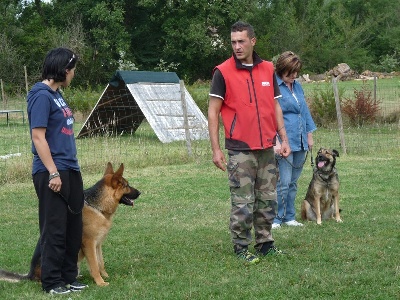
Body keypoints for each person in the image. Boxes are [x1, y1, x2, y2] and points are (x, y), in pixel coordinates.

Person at [208, 21, 291, 264]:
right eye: (233, 42)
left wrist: (283, 138)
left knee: (267, 199)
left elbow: (275, 105)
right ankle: (241, 246)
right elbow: (213, 112)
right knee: (243, 203)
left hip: (267, 147)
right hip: (239, 150)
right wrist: (215, 149)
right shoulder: (222, 72)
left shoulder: (267, 69)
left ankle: (265, 243)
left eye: (241, 41)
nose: (237, 46)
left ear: (252, 41)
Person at [27, 47, 88, 295]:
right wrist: (52, 172)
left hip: (70, 167)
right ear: (64, 70)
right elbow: (38, 137)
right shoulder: (40, 95)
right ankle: (51, 282)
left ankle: (68, 276)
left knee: (74, 225)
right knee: (55, 227)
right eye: (73, 70)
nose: (73, 75)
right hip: (51, 170)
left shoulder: (57, 94)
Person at [272, 51, 317, 229]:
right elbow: (270, 116)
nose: (294, 76)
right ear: (282, 69)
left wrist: (309, 134)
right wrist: (275, 140)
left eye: (296, 72)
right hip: (284, 141)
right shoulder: (274, 86)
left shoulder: (297, 86)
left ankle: (289, 217)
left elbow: (304, 111)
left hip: (300, 140)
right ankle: (276, 218)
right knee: (283, 182)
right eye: (290, 72)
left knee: (293, 182)